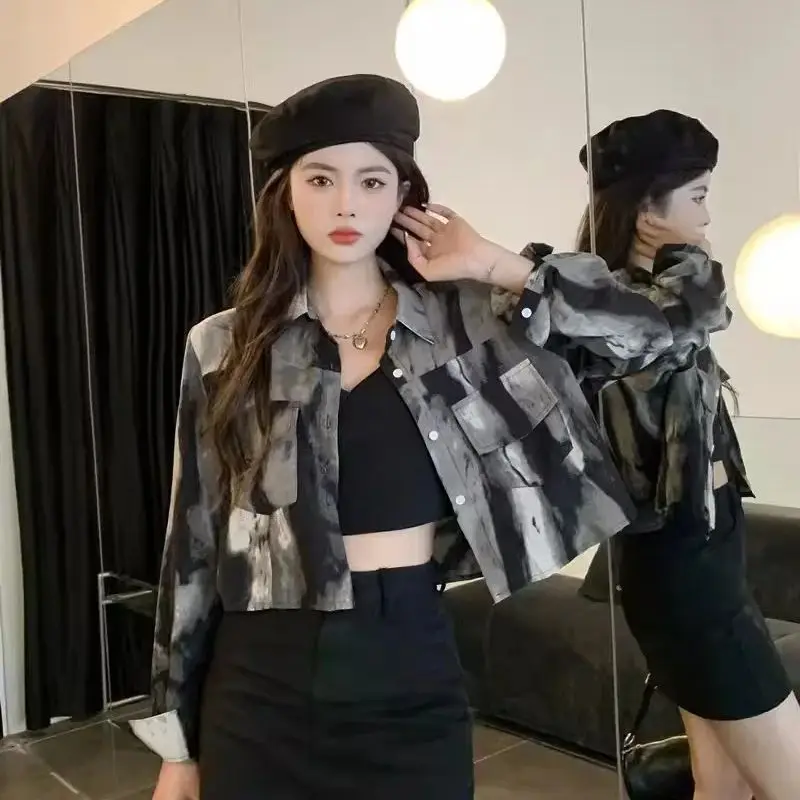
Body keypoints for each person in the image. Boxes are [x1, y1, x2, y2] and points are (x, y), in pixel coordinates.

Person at [132, 77, 710, 800]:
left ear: (403, 195)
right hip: (259, 677)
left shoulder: (471, 321)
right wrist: (177, 748)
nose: (347, 204)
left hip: (408, 654)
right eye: (321, 179)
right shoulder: (223, 344)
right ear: (285, 194)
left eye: (372, 181)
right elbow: (190, 543)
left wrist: (497, 264)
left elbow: (660, 337)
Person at [403, 109, 800, 800]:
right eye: (698, 195)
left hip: (707, 549)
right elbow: (634, 327)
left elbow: (650, 318)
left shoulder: (656, 291)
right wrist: (488, 266)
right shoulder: (589, 308)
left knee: (723, 786)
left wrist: (507, 268)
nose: (707, 215)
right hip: (677, 565)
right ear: (647, 212)